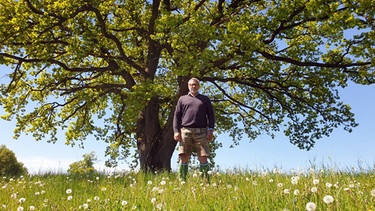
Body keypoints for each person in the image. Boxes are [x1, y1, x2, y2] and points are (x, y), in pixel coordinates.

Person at [173, 78, 215, 180]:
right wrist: (176, 131)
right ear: (188, 86)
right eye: (191, 84)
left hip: (201, 131)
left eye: (195, 84)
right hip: (185, 131)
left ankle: (206, 182)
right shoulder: (182, 99)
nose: (193, 86)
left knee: (203, 156)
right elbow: (176, 116)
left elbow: (211, 115)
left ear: (199, 86)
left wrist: (210, 130)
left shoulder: (205, 99)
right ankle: (182, 182)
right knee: (183, 156)